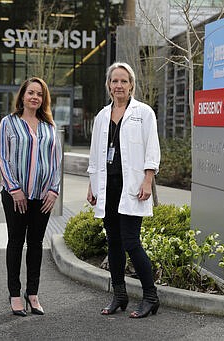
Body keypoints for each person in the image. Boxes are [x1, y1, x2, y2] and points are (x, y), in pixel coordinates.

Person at [87, 62, 161, 318]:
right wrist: (92, 185)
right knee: (114, 242)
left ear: (131, 85)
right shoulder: (101, 116)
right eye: (114, 81)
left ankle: (151, 296)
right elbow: (95, 154)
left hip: (131, 186)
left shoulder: (144, 113)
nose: (119, 86)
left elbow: (152, 147)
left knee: (131, 242)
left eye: (123, 81)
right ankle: (120, 295)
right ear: (109, 85)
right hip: (108, 187)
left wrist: (148, 179)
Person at [0, 77, 62, 317]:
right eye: (31, 92)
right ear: (22, 96)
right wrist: (14, 188)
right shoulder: (9, 123)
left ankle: (32, 294)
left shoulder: (49, 126)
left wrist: (54, 190)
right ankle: (15, 294)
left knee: (35, 245)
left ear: (44, 99)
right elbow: (2, 156)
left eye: (40, 94)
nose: (35, 97)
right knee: (15, 243)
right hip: (16, 196)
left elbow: (56, 161)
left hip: (42, 197)